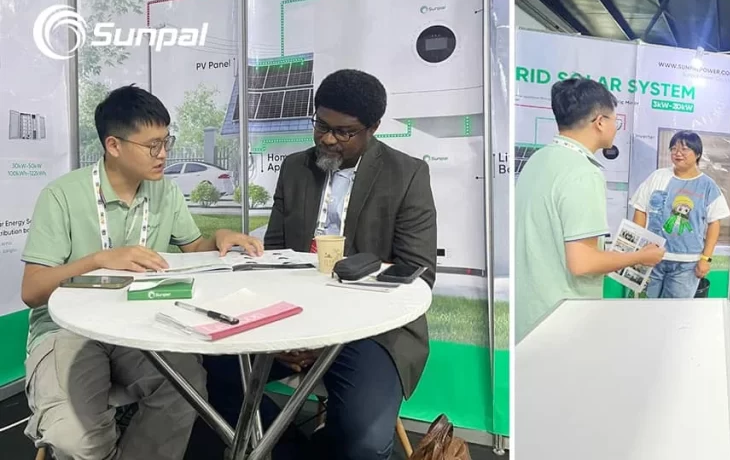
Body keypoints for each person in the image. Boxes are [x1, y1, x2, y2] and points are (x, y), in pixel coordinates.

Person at [199, 69, 437, 459]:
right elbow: (273, 256)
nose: (328, 139)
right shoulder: (296, 168)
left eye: (344, 132)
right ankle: (291, 450)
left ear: (373, 128)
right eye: (321, 125)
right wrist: (288, 332)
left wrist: (330, 332)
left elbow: (418, 270)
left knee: (363, 440)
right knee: (218, 375)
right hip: (293, 320)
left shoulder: (407, 174)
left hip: (371, 331)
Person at [19, 85, 263, 460]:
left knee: (186, 391)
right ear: (114, 146)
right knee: (75, 438)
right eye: (152, 146)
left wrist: (220, 237)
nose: (164, 154)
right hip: (68, 330)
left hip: (141, 324)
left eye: (167, 141)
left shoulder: (164, 192)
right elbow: (32, 291)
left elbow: (193, 248)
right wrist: (98, 260)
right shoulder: (63, 196)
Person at [514, 78, 665, 341]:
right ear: (600, 122)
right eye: (614, 122)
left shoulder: (538, 159)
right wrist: (639, 257)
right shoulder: (583, 173)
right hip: (563, 320)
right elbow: (582, 262)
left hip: (529, 314)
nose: (615, 130)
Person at [630, 131, 730, 298]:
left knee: (675, 313)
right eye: (673, 148)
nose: (677, 153)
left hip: (687, 263)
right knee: (647, 308)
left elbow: (714, 223)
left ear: (697, 153)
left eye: (684, 149)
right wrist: (636, 250)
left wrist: (706, 258)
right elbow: (640, 209)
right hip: (652, 258)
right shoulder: (658, 176)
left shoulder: (708, 186)